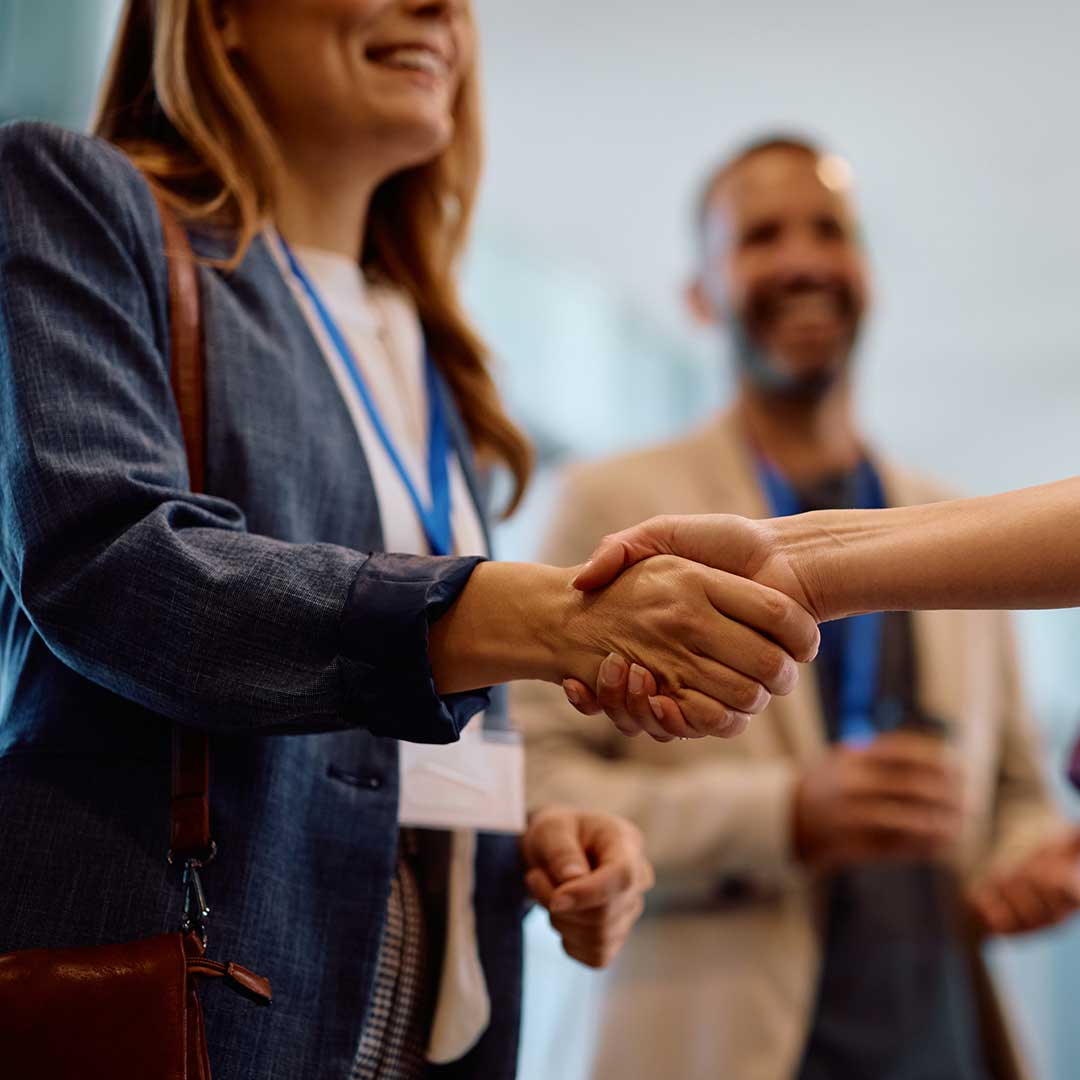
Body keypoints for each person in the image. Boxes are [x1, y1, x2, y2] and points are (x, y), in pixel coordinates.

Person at [0, 5, 821, 1079]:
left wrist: (533, 829)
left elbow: (387, 727)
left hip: (422, 1026)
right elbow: (109, 562)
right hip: (200, 1002)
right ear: (225, 18)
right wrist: (554, 621)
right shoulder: (73, 200)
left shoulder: (428, 352)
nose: (442, 8)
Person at [518, 137, 1078, 1080]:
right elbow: (537, 782)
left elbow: (1014, 792)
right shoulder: (612, 503)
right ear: (699, 293)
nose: (804, 259)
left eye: (831, 230)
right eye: (761, 235)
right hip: (716, 1047)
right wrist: (782, 814)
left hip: (942, 1039)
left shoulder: (961, 526)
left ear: (866, 273)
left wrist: (1036, 861)